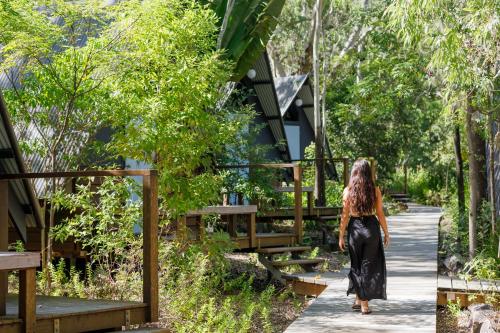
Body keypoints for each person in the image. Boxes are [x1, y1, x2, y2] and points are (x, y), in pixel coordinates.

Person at [338, 159, 390, 314]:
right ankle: (362, 303)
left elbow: (345, 216)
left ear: (354, 172)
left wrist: (341, 235)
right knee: (368, 266)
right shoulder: (375, 190)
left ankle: (361, 302)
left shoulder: (347, 191)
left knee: (356, 265)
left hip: (355, 229)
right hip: (371, 229)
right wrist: (386, 232)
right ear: (368, 172)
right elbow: (380, 213)